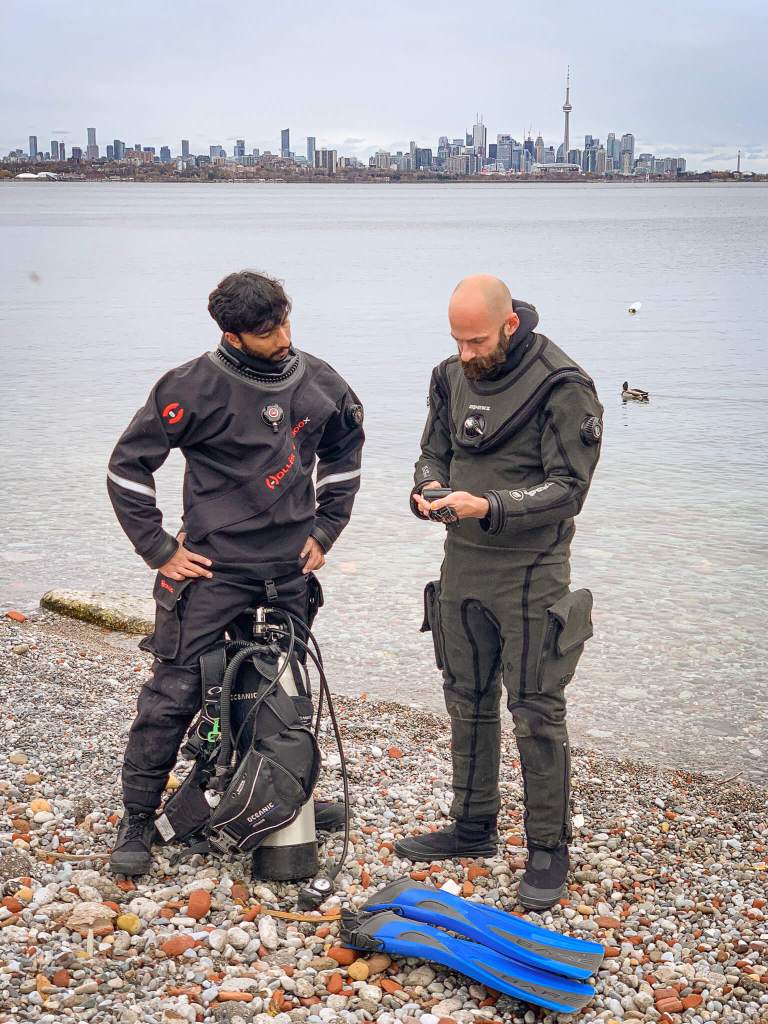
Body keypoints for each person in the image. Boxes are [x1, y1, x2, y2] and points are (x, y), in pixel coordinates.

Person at [107, 270, 364, 875]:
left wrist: (327, 528)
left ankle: (281, 794)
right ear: (232, 334)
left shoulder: (320, 381)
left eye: (285, 322)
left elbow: (345, 453)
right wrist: (159, 549)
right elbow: (126, 468)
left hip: (289, 569)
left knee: (284, 690)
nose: (284, 338)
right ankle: (138, 817)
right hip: (211, 570)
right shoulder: (190, 387)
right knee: (174, 694)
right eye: (267, 332)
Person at [399, 274, 603, 910]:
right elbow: (431, 451)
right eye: (457, 340)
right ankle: (472, 826)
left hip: (531, 570)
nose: (466, 353)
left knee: (536, 710)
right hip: (462, 563)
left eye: (477, 341)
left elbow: (569, 488)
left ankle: (548, 848)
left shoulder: (562, 385)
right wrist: (427, 490)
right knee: (466, 698)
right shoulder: (448, 375)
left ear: (510, 324)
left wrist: (488, 504)